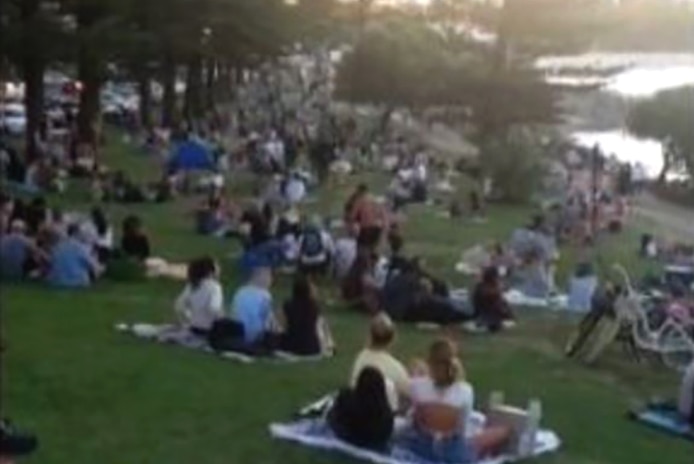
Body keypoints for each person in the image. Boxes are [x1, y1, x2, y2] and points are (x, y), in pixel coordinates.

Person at [405, 339, 510, 463]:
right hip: (453, 453)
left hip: (420, 448)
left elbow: (414, 421)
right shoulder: (465, 390)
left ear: (429, 361)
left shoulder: (417, 385)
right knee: (502, 431)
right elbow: (462, 429)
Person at [350, 313, 409, 411]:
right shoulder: (396, 367)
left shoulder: (360, 357)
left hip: (357, 411)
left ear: (370, 335)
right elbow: (408, 395)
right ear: (392, 339)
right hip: (382, 417)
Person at [328, 367, 394, 451]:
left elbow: (335, 418)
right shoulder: (387, 414)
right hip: (373, 440)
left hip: (349, 436)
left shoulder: (348, 400)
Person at [279, 274, 333, 355]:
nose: (316, 290)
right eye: (313, 288)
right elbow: (322, 330)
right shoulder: (316, 308)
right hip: (312, 347)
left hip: (291, 346)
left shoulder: (288, 305)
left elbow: (282, 326)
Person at [174, 257, 224, 336]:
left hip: (194, 327)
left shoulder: (191, 286)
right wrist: (223, 318)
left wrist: (188, 318)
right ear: (210, 272)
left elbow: (179, 306)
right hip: (210, 330)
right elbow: (214, 309)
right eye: (216, 266)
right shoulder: (215, 287)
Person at [230, 266, 277, 350]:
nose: (271, 280)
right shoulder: (264, 294)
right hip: (254, 335)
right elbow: (268, 319)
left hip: (236, 333)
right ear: (260, 277)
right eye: (269, 277)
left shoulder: (240, 291)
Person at [46, 223, 102, 288]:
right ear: (78, 233)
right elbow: (96, 267)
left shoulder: (57, 247)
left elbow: (51, 263)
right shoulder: (81, 248)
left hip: (57, 282)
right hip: (77, 283)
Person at [470, 267, 515, 332]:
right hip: (490, 319)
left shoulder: (480, 287)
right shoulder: (492, 291)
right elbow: (500, 307)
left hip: (480, 317)